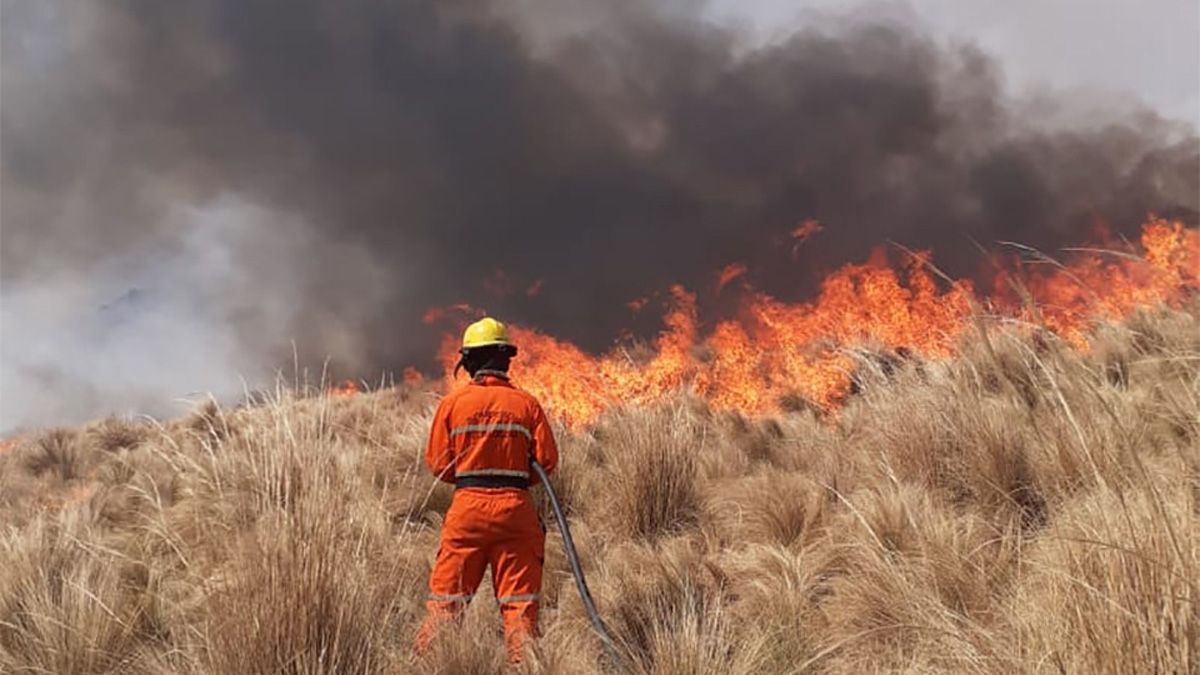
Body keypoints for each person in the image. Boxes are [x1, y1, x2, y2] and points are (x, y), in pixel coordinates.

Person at [414, 317, 559, 664]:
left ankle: (430, 666)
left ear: (471, 362)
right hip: (516, 512)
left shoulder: (452, 405)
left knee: (447, 603)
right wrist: (513, 478)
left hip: (468, 512)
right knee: (520, 607)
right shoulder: (527, 405)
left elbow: (438, 464)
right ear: (506, 359)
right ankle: (523, 668)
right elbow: (547, 462)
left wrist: (473, 477)